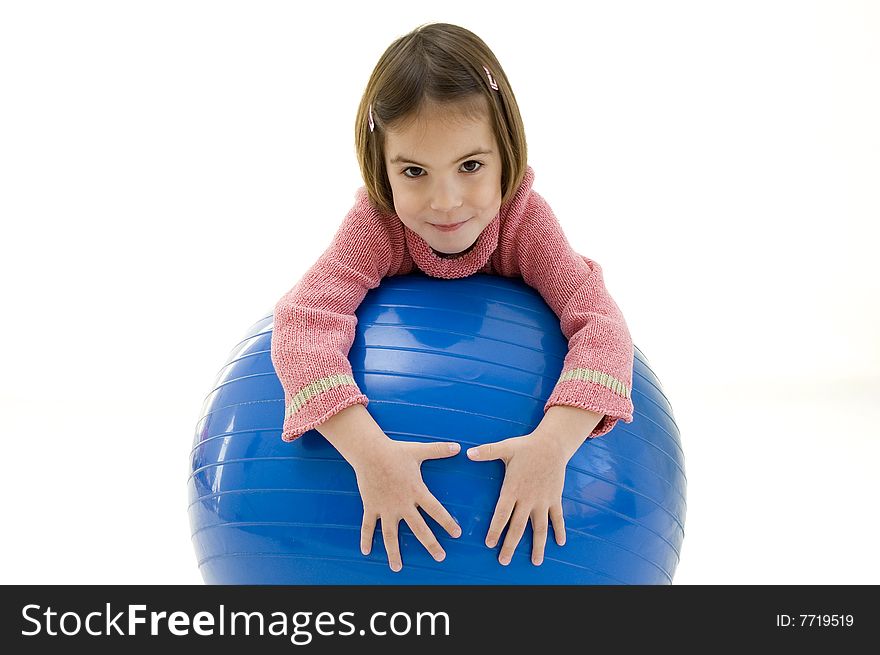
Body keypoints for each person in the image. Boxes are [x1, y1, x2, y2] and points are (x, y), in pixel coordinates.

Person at [271, 22, 634, 573]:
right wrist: (371, 456)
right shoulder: (377, 225)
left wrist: (554, 444)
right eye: (414, 171)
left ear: (505, 152)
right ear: (382, 167)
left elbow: (601, 326)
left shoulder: (523, 222)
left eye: (470, 166)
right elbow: (304, 325)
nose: (446, 202)